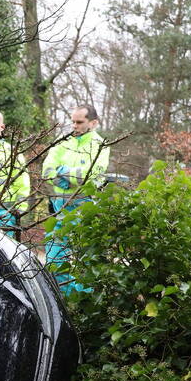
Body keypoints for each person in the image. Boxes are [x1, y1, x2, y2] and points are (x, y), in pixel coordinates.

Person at [42, 105, 111, 293]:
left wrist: (62, 172)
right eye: (72, 121)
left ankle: (83, 305)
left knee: (85, 264)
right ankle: (65, 300)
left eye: (79, 122)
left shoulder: (99, 145)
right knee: (54, 260)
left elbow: (91, 173)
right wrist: (58, 176)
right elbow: (46, 169)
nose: (74, 126)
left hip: (85, 210)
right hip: (60, 210)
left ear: (93, 123)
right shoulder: (63, 141)